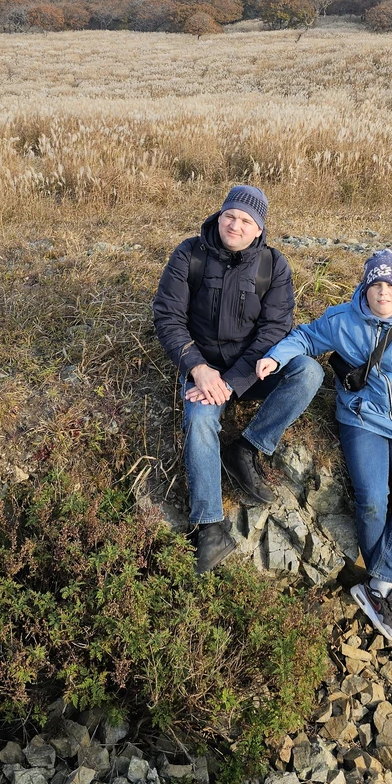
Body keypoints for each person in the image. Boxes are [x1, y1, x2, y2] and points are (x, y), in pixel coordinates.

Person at [256, 249, 392, 643]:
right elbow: (305, 337)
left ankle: (376, 583)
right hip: (362, 419)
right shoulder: (342, 320)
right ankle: (382, 588)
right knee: (371, 499)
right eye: (376, 285)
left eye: (391, 287)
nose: (383, 293)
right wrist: (276, 359)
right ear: (365, 286)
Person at [153, 185, 325, 574]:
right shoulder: (189, 253)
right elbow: (168, 318)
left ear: (259, 229)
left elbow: (275, 330)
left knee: (309, 371)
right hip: (201, 370)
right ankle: (210, 526)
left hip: (249, 372)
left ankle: (247, 448)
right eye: (231, 215)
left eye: (247, 220)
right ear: (219, 215)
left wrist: (231, 383)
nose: (236, 224)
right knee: (199, 421)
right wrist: (198, 368)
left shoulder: (273, 266)